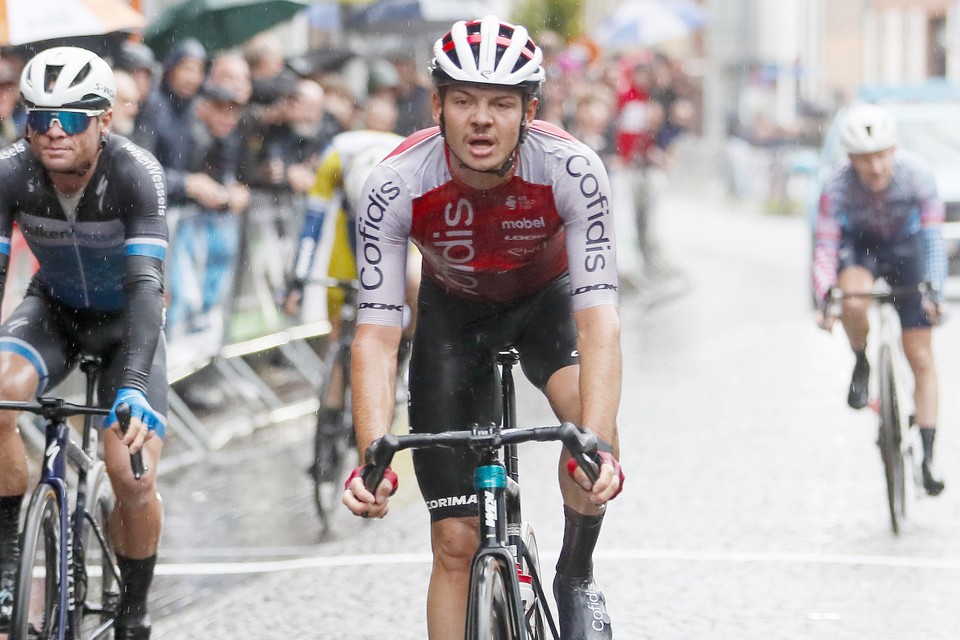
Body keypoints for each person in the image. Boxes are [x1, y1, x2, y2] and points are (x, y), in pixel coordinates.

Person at [341, 16, 624, 640]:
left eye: (501, 103)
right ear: (436, 104)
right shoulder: (393, 183)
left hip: (547, 302)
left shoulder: (572, 168)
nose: (481, 119)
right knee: (453, 540)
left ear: (529, 111)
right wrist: (373, 453)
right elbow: (378, 334)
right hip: (454, 315)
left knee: (587, 431)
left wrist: (599, 442)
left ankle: (575, 571)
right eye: (464, 100)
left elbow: (599, 319)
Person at [0, 47, 168, 639]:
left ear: (104, 120)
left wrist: (137, 385)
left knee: (132, 476)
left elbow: (148, 288)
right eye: (39, 115)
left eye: (71, 118)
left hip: (127, 323)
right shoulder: (10, 172)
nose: (53, 131)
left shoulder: (135, 173)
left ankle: (136, 606)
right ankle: (7, 560)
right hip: (55, 312)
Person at [814, 102, 946, 496]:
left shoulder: (918, 175)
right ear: (851, 158)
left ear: (894, 150)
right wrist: (826, 297)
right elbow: (825, 245)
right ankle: (861, 360)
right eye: (865, 159)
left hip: (907, 247)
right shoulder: (835, 187)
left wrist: (934, 290)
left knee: (920, 355)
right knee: (853, 297)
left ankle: (926, 457)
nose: (875, 168)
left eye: (882, 156)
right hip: (862, 246)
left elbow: (933, 237)